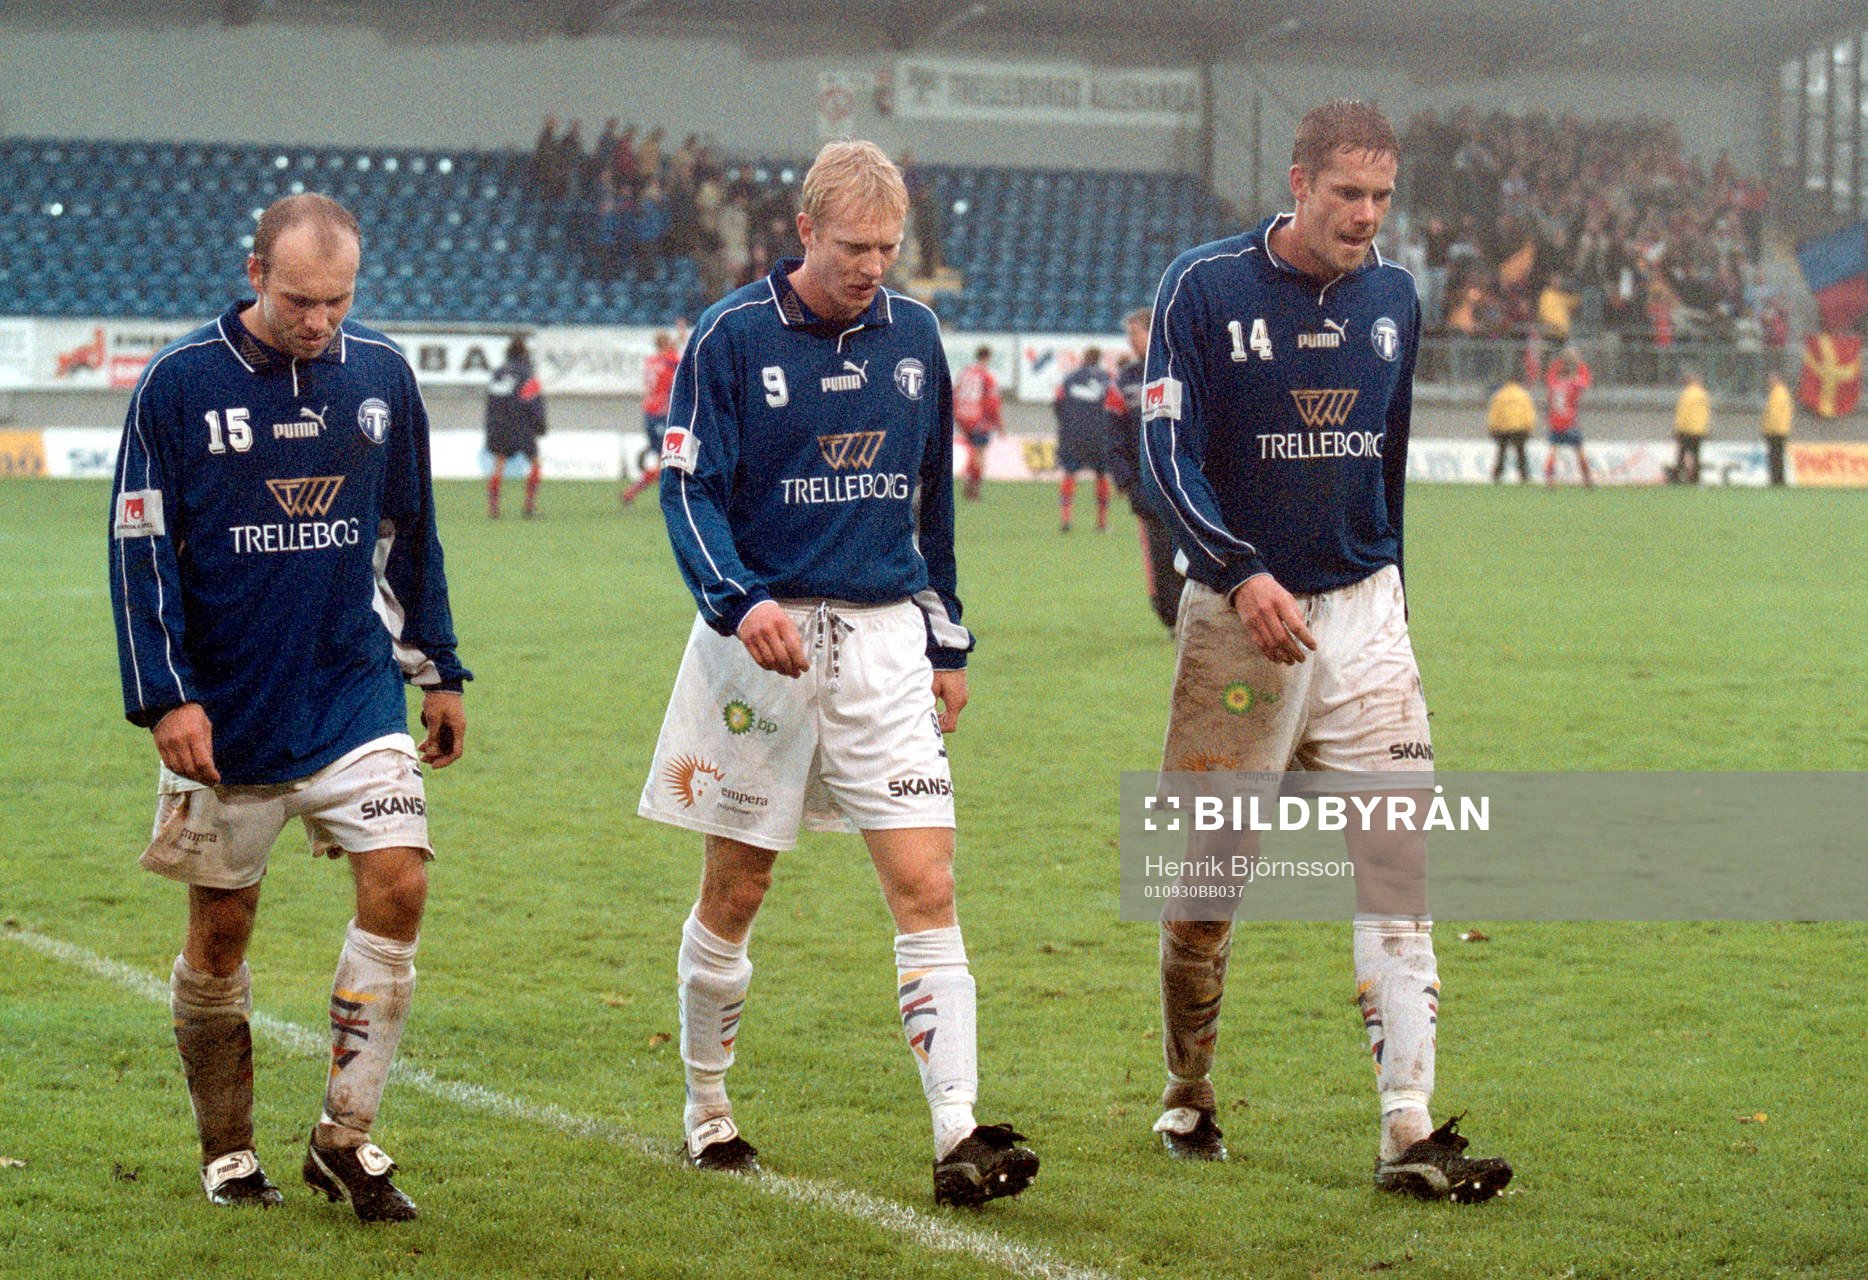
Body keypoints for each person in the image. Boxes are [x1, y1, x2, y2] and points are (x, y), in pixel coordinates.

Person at [635, 139, 1038, 1207]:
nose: (871, 266)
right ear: (802, 231)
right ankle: (707, 1108)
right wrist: (741, 599)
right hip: (757, 644)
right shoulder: (728, 337)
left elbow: (929, 499)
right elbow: (687, 493)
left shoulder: (916, 336)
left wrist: (945, 636)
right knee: (737, 885)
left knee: (927, 881)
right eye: (853, 245)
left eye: (888, 247)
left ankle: (958, 1131)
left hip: (884, 645)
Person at [1138, 99, 1511, 1203]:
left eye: (1382, 197)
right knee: (1206, 892)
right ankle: (1187, 1084)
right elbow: (1164, 449)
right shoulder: (1202, 289)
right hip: (1235, 622)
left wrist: (1391, 594)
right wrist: (1238, 569)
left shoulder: (1394, 299)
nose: (1365, 217)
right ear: (1297, 182)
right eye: (1345, 194)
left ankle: (1406, 1124)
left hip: (1364, 617)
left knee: (1398, 875)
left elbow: (1383, 467)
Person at [106, 193, 469, 1220]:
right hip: (226, 706)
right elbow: (137, 549)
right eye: (301, 298)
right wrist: (165, 698)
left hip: (354, 686)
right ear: (255, 268)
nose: (320, 321)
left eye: (338, 300)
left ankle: (343, 1138)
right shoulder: (179, 383)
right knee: (222, 927)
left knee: (399, 882)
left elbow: (410, 531)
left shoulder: (383, 375)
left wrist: (435, 667)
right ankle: (228, 1148)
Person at [1108, 306, 1183, 629]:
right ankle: (1169, 614)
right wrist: (1124, 479)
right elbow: (1111, 432)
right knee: (1159, 555)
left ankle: (1188, 614)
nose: (1130, 342)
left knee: (1189, 553)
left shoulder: (1178, 368)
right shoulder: (1125, 380)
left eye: (1134, 335)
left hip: (1182, 483)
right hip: (1145, 486)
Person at [484, 334, 548, 518]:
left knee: (499, 463)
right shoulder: (527, 375)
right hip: (521, 426)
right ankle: (529, 506)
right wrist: (540, 425)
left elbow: (491, 402)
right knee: (535, 462)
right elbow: (533, 402)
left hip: (498, 425)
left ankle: (493, 508)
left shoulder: (498, 373)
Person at [1053, 347, 1115, 533]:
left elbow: (1057, 403)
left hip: (1073, 433)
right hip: (1099, 434)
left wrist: (1067, 424)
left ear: (1084, 359)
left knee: (1069, 473)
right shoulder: (1107, 379)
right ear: (1099, 360)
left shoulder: (1069, 378)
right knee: (1102, 474)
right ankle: (1102, 523)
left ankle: (1065, 519)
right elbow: (1115, 406)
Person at [621, 327, 682, 506]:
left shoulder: (651, 361)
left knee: (664, 461)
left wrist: (677, 339)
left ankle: (636, 495)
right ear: (666, 344)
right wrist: (680, 337)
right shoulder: (669, 361)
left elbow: (670, 356)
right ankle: (630, 494)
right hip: (660, 414)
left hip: (649, 412)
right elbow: (680, 359)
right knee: (667, 461)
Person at [952, 344, 1004, 501]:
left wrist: (956, 413)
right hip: (979, 418)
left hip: (963, 416)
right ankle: (974, 489)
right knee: (979, 453)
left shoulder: (965, 372)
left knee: (972, 452)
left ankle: (969, 486)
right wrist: (999, 424)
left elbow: (955, 392)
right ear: (987, 357)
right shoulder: (986, 376)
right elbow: (992, 402)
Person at [1543, 346, 1594, 487]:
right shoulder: (1574, 383)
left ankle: (1549, 480)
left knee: (1553, 450)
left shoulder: (1554, 383)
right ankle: (1587, 479)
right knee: (1579, 450)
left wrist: (1559, 360)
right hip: (1570, 421)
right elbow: (1586, 380)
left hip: (1555, 421)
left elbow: (1550, 374)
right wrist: (1578, 362)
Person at [1486, 374, 1535, 483]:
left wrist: (1493, 427)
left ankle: (1497, 475)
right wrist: (1529, 426)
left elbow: (1494, 413)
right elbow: (1529, 413)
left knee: (1501, 453)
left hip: (1503, 428)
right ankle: (1524, 476)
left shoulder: (1500, 395)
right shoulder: (1523, 395)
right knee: (1521, 453)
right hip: (1520, 428)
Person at [1671, 367, 1710, 485]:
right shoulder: (1704, 395)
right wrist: (1705, 427)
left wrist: (1677, 428)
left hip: (1686, 429)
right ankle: (1695, 478)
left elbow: (1682, 413)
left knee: (1682, 454)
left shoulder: (1687, 394)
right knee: (1696, 455)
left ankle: (1678, 477)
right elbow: (1706, 413)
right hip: (1699, 430)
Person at [1762, 371, 1792, 486]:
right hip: (1780, 429)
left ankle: (1777, 480)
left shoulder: (1778, 394)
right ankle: (1778, 480)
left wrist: (1769, 429)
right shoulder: (1780, 393)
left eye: (1771, 379)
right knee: (1777, 457)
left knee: (1775, 457)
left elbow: (1774, 414)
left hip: (1776, 430)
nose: (1769, 382)